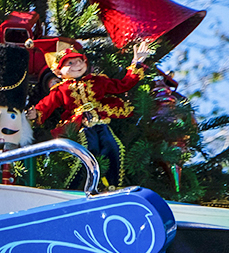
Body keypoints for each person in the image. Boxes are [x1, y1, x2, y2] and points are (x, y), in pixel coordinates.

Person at [31, 40, 154, 190]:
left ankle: (113, 185)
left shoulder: (98, 80)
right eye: (70, 63)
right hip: (80, 124)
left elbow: (122, 85)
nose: (77, 65)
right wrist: (35, 113)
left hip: (101, 121)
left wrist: (137, 63)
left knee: (113, 146)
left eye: (79, 61)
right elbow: (47, 104)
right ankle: (82, 185)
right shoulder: (60, 90)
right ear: (58, 71)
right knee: (89, 148)